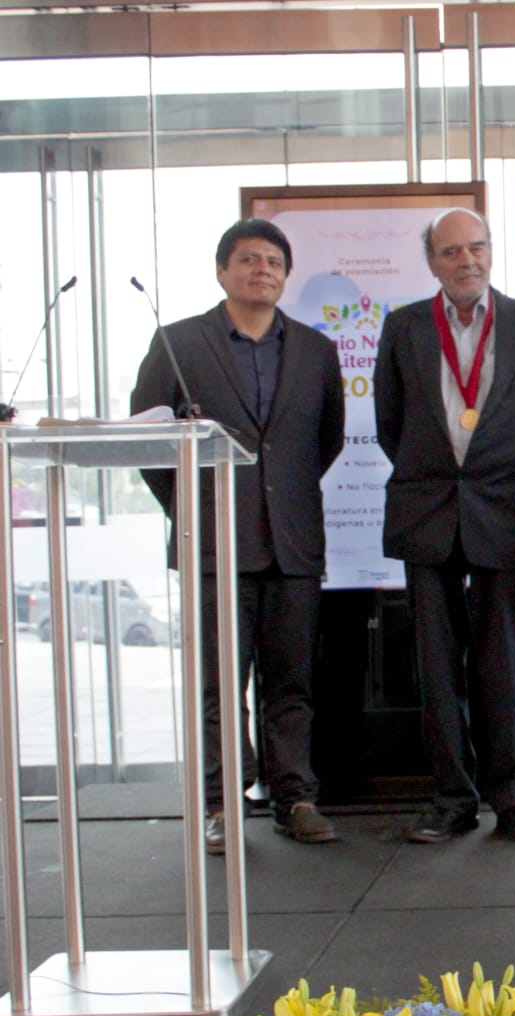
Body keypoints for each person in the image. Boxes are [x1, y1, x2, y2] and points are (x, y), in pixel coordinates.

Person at [131, 218, 345, 854]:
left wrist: (281, 500)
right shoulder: (178, 344)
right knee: (220, 683)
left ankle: (294, 797)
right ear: (223, 271)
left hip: (294, 543)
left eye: (275, 262)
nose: (264, 271)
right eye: (249, 260)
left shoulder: (315, 349)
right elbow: (150, 441)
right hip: (213, 543)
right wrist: (191, 508)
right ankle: (222, 803)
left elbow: (322, 442)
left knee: (291, 682)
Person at [374, 208, 515, 844]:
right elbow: (390, 423)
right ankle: (451, 797)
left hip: (504, 505)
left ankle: (514, 797)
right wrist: (443, 471)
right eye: (452, 252)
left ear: (491, 251)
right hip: (426, 508)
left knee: (506, 661)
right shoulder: (403, 327)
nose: (467, 261)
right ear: (433, 262)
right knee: (437, 664)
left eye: (476, 248)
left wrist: (500, 471)